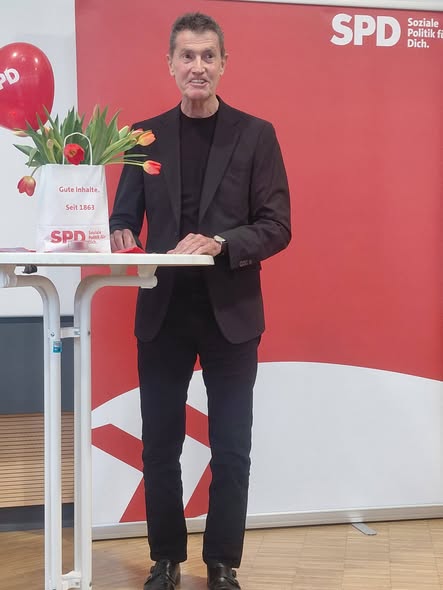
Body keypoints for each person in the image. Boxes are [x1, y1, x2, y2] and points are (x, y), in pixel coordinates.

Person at [109, 12, 291, 590]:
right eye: (187, 56)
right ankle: (165, 560)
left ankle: (222, 563)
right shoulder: (142, 137)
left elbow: (277, 226)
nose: (197, 66)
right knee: (159, 448)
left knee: (231, 448)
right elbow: (122, 217)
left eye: (208, 56)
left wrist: (222, 242)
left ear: (223, 64)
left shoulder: (256, 134)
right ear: (170, 64)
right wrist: (119, 234)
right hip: (162, 312)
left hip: (230, 315)